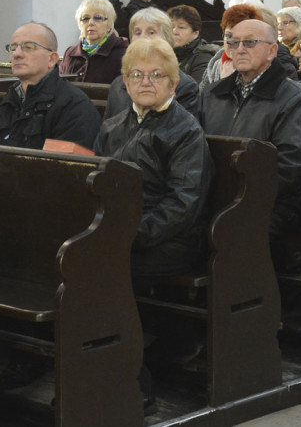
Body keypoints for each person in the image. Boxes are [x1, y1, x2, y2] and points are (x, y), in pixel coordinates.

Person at [95, 39, 212, 412]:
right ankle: (93, 366)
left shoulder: (184, 130)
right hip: (118, 233)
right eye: (137, 75)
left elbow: (184, 203)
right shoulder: (113, 126)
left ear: (173, 84)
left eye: (157, 75)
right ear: (125, 83)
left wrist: (132, 234)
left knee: (106, 274)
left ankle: (135, 378)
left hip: (171, 239)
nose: (146, 82)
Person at [198, 19, 301, 247]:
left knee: (222, 230)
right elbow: (195, 149)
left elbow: (289, 169)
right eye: (234, 43)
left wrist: (237, 195)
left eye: (250, 43)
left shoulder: (293, 99)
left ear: (272, 50)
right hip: (215, 197)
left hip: (268, 204)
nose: (239, 49)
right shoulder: (212, 94)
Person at [0, 22, 100, 149]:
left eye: (29, 47)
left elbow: (67, 166)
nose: (16, 54)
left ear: (52, 59)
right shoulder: (7, 104)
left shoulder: (74, 107)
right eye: (13, 48)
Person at [105, 8, 199, 118]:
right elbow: (107, 130)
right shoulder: (118, 84)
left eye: (151, 32)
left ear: (167, 39)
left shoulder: (185, 87)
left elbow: (181, 131)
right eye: (137, 32)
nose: (143, 37)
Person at [60, 0, 129, 84]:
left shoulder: (123, 54)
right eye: (85, 18)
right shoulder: (70, 53)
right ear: (79, 25)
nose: (91, 23)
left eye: (98, 18)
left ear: (109, 26)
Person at [198, 4, 263, 89]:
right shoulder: (215, 65)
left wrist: (227, 84)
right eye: (229, 36)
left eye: (245, 39)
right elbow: (202, 100)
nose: (235, 44)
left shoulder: (264, 68)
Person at [168, 4, 219, 84]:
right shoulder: (162, 54)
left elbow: (194, 92)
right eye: (171, 27)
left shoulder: (203, 58)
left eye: (181, 27)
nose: (174, 31)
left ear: (195, 33)